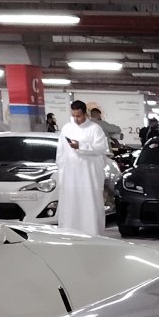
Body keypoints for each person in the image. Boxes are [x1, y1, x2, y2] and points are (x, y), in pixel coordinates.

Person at [56, 99, 111, 236]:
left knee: (89, 205)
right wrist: (61, 171)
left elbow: (101, 148)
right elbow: (61, 152)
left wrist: (80, 146)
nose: (76, 119)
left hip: (89, 177)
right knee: (70, 204)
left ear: (85, 113)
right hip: (70, 175)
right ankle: (69, 232)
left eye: (78, 116)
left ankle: (92, 233)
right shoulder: (67, 128)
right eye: (73, 116)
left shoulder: (95, 129)